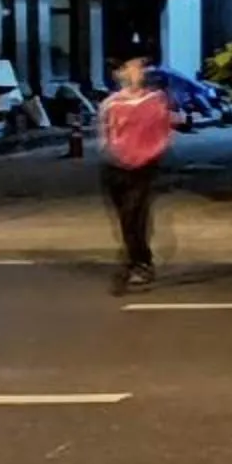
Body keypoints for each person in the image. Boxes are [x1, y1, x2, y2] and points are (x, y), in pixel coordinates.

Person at [96, 52, 176, 293]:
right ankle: (135, 258)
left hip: (143, 166)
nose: (136, 72)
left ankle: (140, 263)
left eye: (139, 67)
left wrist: (150, 154)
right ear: (119, 74)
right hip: (116, 166)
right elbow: (105, 134)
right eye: (131, 67)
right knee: (126, 218)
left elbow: (164, 132)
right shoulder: (111, 103)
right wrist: (113, 152)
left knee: (134, 213)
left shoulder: (155, 100)